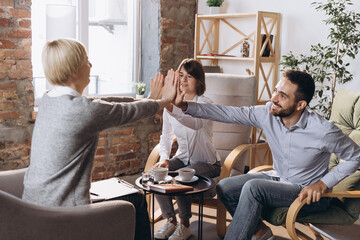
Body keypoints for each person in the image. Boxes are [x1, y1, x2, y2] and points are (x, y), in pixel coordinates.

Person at [169, 69, 360, 240]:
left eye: (282, 95)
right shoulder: (268, 113)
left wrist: (322, 184)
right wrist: (185, 106)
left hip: (307, 194)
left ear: (300, 104)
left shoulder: (322, 130)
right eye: (276, 90)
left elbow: (355, 156)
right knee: (225, 186)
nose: (274, 97)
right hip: (279, 179)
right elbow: (226, 113)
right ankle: (260, 232)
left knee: (254, 188)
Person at [22, 39, 177, 240]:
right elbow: (120, 111)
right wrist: (163, 101)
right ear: (74, 69)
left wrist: (149, 100)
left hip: (34, 207)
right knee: (137, 200)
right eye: (86, 60)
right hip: (66, 212)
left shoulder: (49, 100)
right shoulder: (82, 111)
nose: (90, 65)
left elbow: (103, 104)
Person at [152, 58, 221, 240]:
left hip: (208, 163)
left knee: (183, 175)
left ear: (199, 81)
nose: (183, 80)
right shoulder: (170, 105)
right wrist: (165, 158)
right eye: (181, 75)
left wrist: (172, 107)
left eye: (189, 76)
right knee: (157, 174)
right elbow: (165, 136)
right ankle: (170, 221)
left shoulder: (206, 103)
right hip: (183, 158)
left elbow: (195, 123)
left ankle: (185, 225)